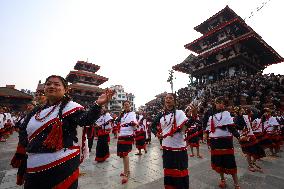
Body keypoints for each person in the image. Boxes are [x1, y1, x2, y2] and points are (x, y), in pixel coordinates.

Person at [10, 75, 114, 189]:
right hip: (33, 164)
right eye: (48, 84)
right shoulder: (36, 110)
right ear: (44, 88)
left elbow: (86, 119)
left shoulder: (71, 107)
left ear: (66, 90)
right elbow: (23, 128)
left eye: (56, 84)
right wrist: (27, 144)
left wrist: (98, 104)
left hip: (61, 165)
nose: (52, 86)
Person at [151, 93, 189, 189]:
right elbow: (152, 126)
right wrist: (157, 133)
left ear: (174, 101)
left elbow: (185, 127)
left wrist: (192, 116)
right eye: (166, 98)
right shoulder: (160, 114)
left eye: (170, 98)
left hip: (179, 146)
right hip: (167, 146)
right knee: (169, 168)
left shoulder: (180, 113)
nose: (168, 99)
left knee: (180, 168)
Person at [205, 97, 241, 189]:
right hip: (215, 142)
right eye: (218, 102)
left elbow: (231, 127)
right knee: (218, 162)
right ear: (215, 104)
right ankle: (222, 180)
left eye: (222, 103)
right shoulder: (210, 116)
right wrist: (207, 139)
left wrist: (238, 136)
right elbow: (208, 129)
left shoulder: (226, 114)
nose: (220, 104)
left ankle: (236, 184)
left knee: (230, 162)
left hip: (225, 142)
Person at [117, 100, 137, 184]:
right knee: (122, 154)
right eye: (124, 105)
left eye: (127, 105)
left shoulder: (133, 114)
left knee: (125, 154)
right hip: (121, 135)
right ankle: (127, 170)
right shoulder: (122, 115)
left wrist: (134, 125)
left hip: (128, 136)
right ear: (123, 106)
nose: (126, 106)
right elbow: (118, 123)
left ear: (130, 105)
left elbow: (135, 126)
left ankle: (126, 173)